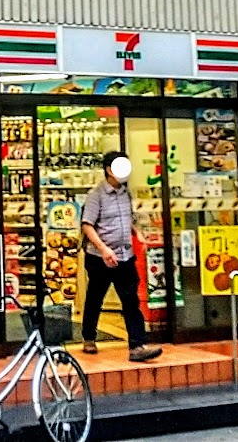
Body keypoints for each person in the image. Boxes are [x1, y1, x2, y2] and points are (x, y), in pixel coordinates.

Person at [79, 151, 161, 362]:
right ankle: (89, 337)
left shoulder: (126, 193)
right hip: (100, 257)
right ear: (109, 170)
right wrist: (104, 249)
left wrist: (138, 233)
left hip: (125, 255)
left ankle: (137, 345)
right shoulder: (96, 195)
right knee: (96, 297)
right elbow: (87, 225)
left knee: (130, 300)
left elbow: (127, 219)